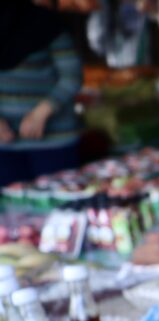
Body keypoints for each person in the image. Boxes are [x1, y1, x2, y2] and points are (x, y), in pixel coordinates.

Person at [0, 0, 85, 186]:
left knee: (61, 209)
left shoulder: (45, 24)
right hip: (4, 145)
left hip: (54, 140)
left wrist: (42, 113)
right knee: (10, 211)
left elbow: (72, 76)